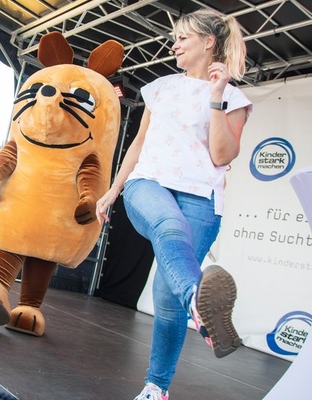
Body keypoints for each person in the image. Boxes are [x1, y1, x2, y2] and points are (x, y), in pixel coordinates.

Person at [94, 9, 252, 400]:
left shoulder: (233, 98)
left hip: (202, 199)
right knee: (170, 226)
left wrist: (216, 98)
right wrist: (114, 189)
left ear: (208, 42)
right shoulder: (160, 88)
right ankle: (199, 301)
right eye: (174, 39)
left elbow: (222, 155)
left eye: (183, 38)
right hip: (147, 184)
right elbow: (138, 143)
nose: (175, 45)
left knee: (168, 299)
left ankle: (156, 388)